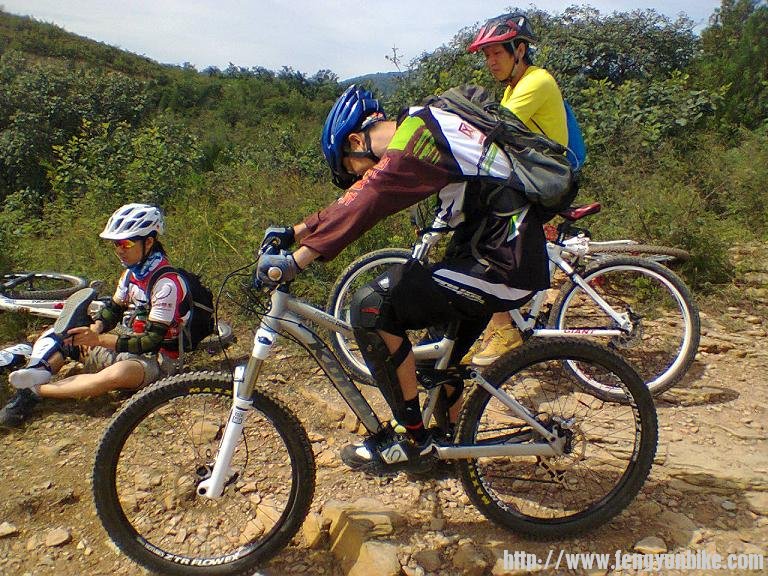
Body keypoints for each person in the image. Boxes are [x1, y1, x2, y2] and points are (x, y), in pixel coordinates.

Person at [256, 83, 550, 471]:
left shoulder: (420, 130)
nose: (356, 179)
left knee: (370, 306)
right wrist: (295, 231)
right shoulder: (426, 129)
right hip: (488, 258)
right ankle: (448, 448)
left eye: (350, 169)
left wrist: (297, 259)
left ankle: (412, 441)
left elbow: (371, 194)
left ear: (358, 140)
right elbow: (362, 193)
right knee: (431, 363)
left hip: (500, 264)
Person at [0, 203, 189, 428]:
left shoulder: (166, 284)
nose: (120, 250)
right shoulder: (132, 274)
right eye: (116, 244)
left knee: (117, 374)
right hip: (129, 341)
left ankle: (34, 390)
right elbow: (114, 309)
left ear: (148, 242)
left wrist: (99, 340)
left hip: (160, 360)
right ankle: (36, 373)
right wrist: (97, 327)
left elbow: (151, 340)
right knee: (66, 335)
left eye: (126, 243)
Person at [464, 12, 569, 366]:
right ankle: (497, 325)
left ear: (519, 50)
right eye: (486, 55)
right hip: (533, 176)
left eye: (497, 53)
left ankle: (505, 328)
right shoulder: (514, 85)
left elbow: (491, 127)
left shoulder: (536, 82)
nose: (490, 61)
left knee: (492, 236)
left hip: (546, 181)